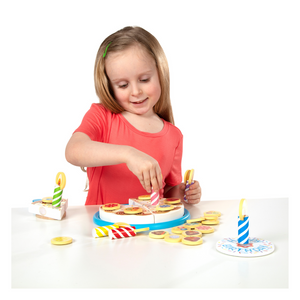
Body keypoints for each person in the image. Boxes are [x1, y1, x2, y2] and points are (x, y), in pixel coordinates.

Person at [65, 26, 201, 205]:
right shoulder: (102, 116)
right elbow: (73, 151)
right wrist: (129, 154)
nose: (136, 91)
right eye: (122, 85)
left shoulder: (174, 135)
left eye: (144, 80)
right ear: (109, 86)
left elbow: (166, 193)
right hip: (104, 229)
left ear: (160, 74)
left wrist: (182, 192)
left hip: (152, 231)